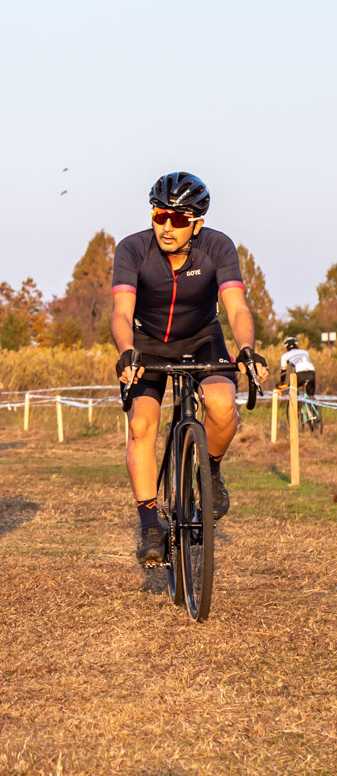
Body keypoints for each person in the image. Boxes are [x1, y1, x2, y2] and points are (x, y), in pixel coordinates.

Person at [112, 172, 268, 565]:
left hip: (201, 336)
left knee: (220, 403)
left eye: (178, 220)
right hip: (146, 343)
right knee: (141, 425)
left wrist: (247, 348)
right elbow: (120, 312)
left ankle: (210, 471)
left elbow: (235, 306)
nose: (166, 227)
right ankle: (150, 523)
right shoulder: (132, 249)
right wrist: (127, 350)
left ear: (197, 223)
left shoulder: (218, 247)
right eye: (160, 215)